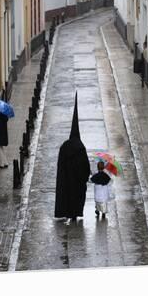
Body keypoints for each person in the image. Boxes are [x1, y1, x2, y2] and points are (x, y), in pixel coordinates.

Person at [54, 92, 90, 223]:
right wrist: (85, 177)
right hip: (77, 183)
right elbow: (85, 168)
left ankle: (66, 211)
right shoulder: (81, 149)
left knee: (68, 195)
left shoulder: (64, 147)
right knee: (76, 196)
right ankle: (75, 213)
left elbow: (60, 167)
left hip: (66, 182)